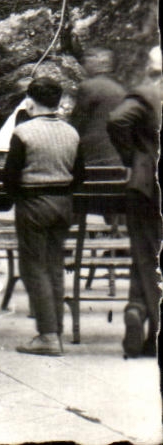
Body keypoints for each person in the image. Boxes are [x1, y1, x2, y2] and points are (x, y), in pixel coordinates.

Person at [2, 78, 84, 357]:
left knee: (33, 268)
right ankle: (55, 332)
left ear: (29, 101)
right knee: (55, 266)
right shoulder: (71, 132)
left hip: (33, 203)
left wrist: (18, 196)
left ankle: (48, 336)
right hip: (63, 203)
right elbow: (80, 174)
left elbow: (10, 177)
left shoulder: (23, 132)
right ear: (59, 101)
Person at [107, 81, 160, 359]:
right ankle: (140, 315)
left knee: (145, 255)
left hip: (149, 185)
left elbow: (117, 119)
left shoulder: (149, 94)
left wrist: (134, 157)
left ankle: (139, 310)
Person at [71, 47, 125, 169]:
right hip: (116, 151)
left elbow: (77, 121)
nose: (83, 67)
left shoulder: (89, 86)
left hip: (94, 151)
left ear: (96, 63)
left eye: (85, 61)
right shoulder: (119, 88)